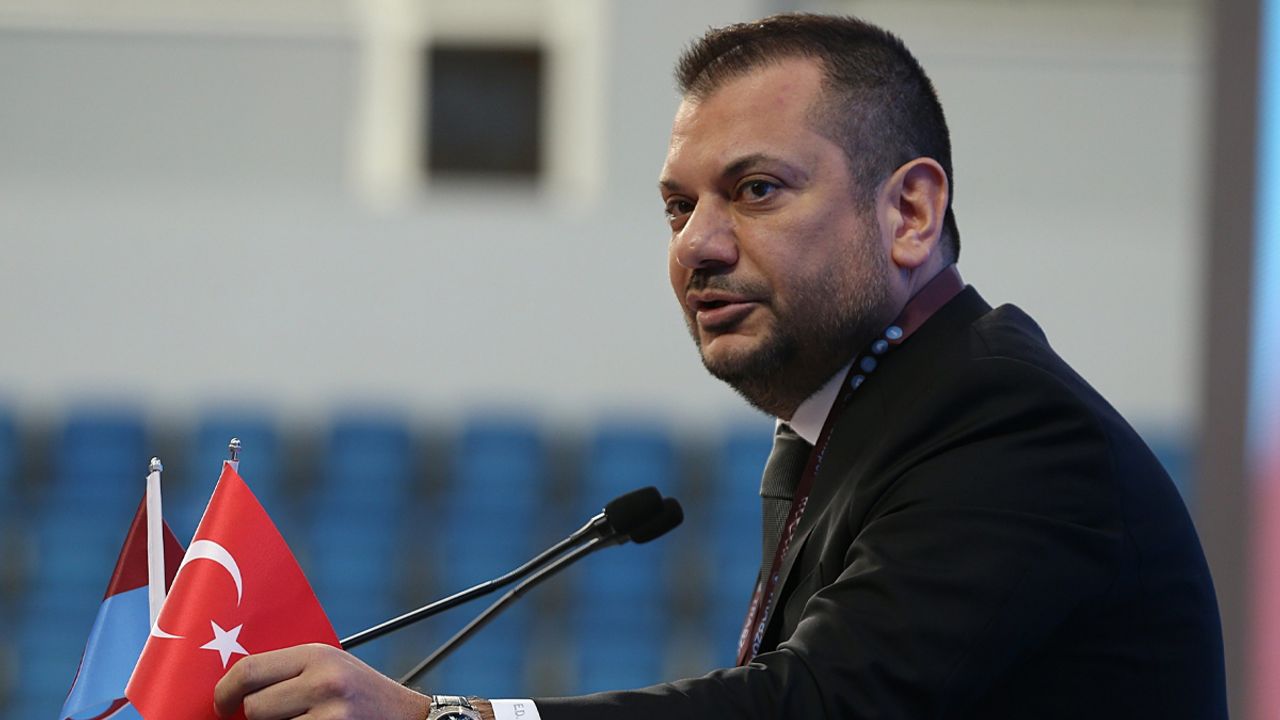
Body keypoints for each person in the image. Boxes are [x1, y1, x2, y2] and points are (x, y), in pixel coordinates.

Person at [214, 13, 1228, 719]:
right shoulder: (857, 422)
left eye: (754, 189)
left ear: (909, 212)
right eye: (677, 206)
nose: (695, 243)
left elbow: (815, 707)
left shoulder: (1005, 424)